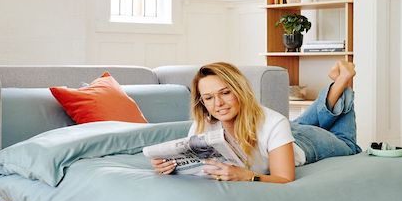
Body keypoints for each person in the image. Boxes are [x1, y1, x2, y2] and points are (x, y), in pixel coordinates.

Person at [150, 61, 361, 183]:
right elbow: (195, 164)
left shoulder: (273, 121)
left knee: (348, 145)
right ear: (202, 101)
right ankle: (338, 82)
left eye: (225, 93)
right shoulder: (203, 124)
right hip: (286, 133)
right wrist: (170, 165)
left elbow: (284, 178)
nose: (218, 103)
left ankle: (343, 82)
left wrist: (248, 176)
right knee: (300, 122)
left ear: (240, 91)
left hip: (306, 143)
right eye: (209, 98)